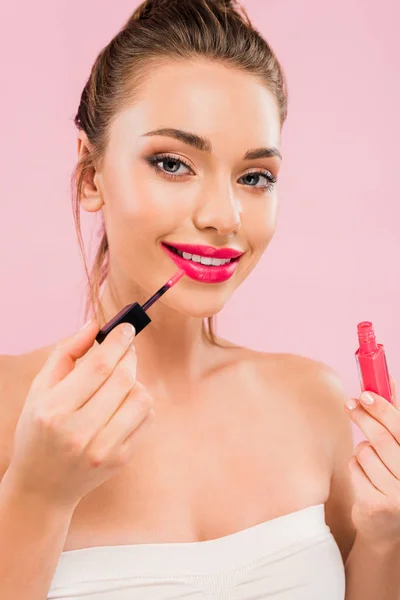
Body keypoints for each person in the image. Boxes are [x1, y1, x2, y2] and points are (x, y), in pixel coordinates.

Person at [0, 0, 357, 598]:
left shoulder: (315, 403)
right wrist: (37, 493)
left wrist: (386, 538)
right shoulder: (9, 410)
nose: (223, 216)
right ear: (91, 177)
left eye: (255, 176)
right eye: (172, 163)